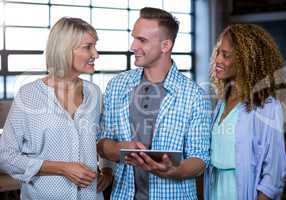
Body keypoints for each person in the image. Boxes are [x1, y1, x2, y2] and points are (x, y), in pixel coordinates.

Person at [97, 7, 211, 200]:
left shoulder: (195, 95)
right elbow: (101, 143)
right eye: (134, 38)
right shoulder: (117, 85)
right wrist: (118, 149)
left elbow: (200, 159)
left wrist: (175, 170)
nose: (133, 46)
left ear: (165, 45)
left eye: (142, 40)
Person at [0, 17, 112, 199]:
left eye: (95, 46)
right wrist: (62, 168)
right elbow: (5, 156)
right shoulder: (28, 95)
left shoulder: (94, 92)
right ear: (65, 50)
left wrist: (107, 171)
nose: (96, 54)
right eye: (88, 47)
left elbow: (104, 138)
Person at [204, 24, 286, 200]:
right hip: (215, 191)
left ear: (245, 61)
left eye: (225, 55)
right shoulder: (221, 102)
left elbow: (274, 175)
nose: (217, 59)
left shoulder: (267, 107)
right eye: (218, 52)